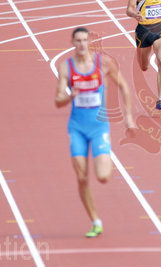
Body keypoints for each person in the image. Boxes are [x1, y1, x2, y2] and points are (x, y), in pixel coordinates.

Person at [55, 27, 135, 238]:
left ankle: (103, 156)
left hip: (99, 127)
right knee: (82, 177)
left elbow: (124, 86)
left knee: (103, 177)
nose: (81, 44)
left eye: (84, 40)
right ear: (72, 42)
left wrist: (128, 118)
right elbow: (57, 101)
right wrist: (70, 96)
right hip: (77, 128)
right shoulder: (66, 67)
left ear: (89, 41)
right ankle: (95, 221)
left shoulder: (103, 63)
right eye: (78, 41)